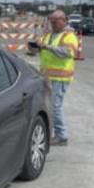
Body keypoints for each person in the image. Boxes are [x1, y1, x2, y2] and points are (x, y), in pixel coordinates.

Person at [28, 10, 78, 146]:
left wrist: (47, 47)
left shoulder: (69, 36)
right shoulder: (49, 35)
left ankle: (62, 136)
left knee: (55, 107)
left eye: (57, 20)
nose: (54, 23)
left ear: (65, 20)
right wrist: (34, 48)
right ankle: (56, 134)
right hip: (46, 76)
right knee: (48, 106)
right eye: (52, 20)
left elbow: (67, 53)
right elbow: (42, 50)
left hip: (60, 77)